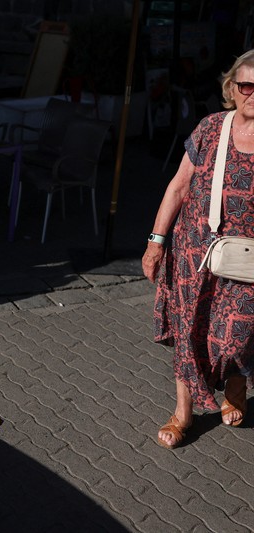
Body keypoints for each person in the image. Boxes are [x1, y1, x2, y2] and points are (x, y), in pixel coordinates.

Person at [143, 50, 254, 449]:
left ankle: (235, 388)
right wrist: (156, 242)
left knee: (237, 333)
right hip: (193, 252)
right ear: (232, 88)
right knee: (190, 329)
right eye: (247, 85)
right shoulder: (210, 128)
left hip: (248, 260)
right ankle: (183, 411)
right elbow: (177, 186)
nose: (253, 94)